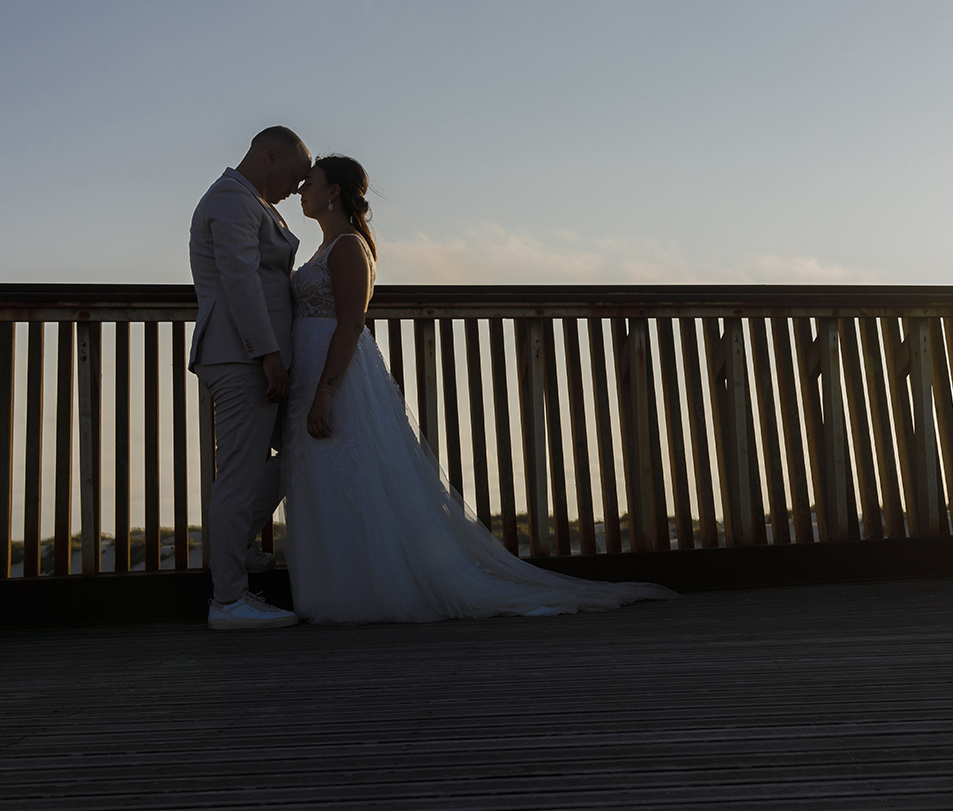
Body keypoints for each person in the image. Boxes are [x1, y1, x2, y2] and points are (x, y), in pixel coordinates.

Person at [283, 155, 675, 623]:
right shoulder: (323, 248)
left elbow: (350, 325)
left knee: (348, 475)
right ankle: (334, 590)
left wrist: (325, 391)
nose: (300, 190)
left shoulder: (347, 247)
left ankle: (364, 593)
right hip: (311, 372)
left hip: (337, 376)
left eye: (310, 183)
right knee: (327, 481)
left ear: (333, 193)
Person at [190, 126, 312, 630]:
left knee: (297, 452)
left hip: (255, 357)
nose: (298, 188)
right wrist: (267, 355)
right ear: (269, 157)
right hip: (242, 358)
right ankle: (229, 600)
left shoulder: (253, 202)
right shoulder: (231, 200)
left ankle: (233, 548)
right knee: (239, 473)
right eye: (295, 175)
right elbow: (240, 282)